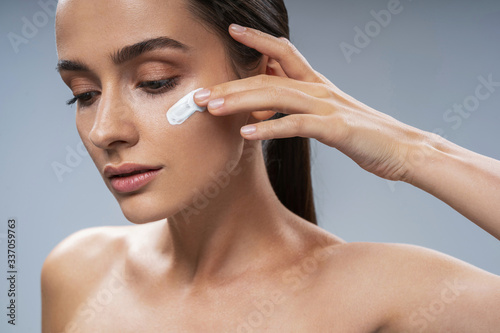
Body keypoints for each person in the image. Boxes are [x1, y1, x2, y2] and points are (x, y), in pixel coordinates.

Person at [42, 0, 500, 332]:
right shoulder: (76, 272)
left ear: (262, 81)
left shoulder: (382, 296)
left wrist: (410, 149)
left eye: (154, 81)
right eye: (84, 93)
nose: (104, 131)